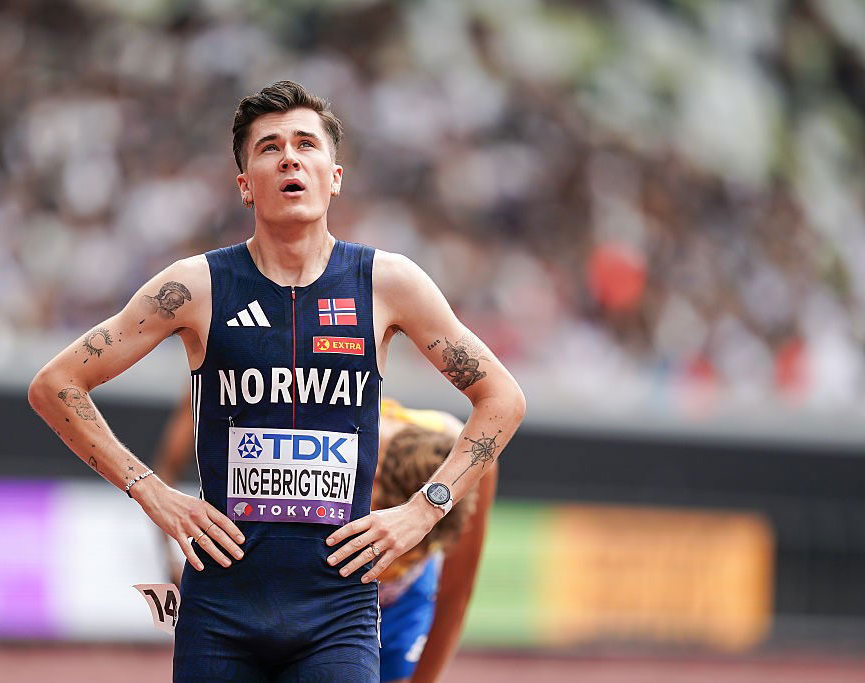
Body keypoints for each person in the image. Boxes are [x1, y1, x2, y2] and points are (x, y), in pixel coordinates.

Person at [28, 80, 525, 682]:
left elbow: (502, 399)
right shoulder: (196, 286)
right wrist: (151, 491)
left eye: (305, 144)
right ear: (245, 185)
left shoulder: (387, 283)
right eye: (269, 147)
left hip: (338, 615)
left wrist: (424, 510)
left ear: (334, 177)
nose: (290, 157)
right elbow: (56, 384)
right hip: (219, 613)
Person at [153, 395, 498, 682]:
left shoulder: (467, 457)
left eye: (407, 551)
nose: (390, 559)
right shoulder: (323, 433)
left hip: (401, 601)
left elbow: (455, 595)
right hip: (309, 583)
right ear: (373, 482)